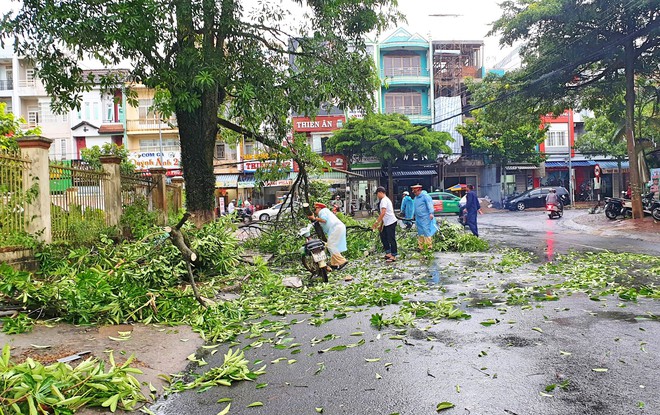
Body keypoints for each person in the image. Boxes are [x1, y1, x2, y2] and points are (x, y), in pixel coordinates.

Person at [307, 202, 348, 270]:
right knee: (333, 246)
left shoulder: (323, 211)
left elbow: (324, 220)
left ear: (319, 208)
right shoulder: (325, 212)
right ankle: (334, 264)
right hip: (337, 228)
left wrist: (314, 218)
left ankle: (342, 261)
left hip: (336, 228)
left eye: (315, 209)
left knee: (331, 245)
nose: (315, 211)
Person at [372, 186, 398, 262]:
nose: (377, 196)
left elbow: (383, 213)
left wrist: (376, 223)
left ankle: (394, 255)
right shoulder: (384, 200)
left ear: (380, 192)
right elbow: (384, 215)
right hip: (387, 222)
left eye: (377, 194)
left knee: (391, 238)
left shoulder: (384, 200)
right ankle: (388, 252)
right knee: (383, 235)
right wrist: (381, 226)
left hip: (391, 222)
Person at [411, 184, 436, 250]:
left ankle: (428, 246)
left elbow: (430, 204)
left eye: (415, 192)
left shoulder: (425, 196)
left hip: (425, 217)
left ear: (419, 190)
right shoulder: (416, 198)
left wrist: (431, 213)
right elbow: (415, 207)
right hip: (418, 217)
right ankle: (421, 246)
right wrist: (413, 215)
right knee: (420, 231)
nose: (414, 193)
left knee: (426, 230)